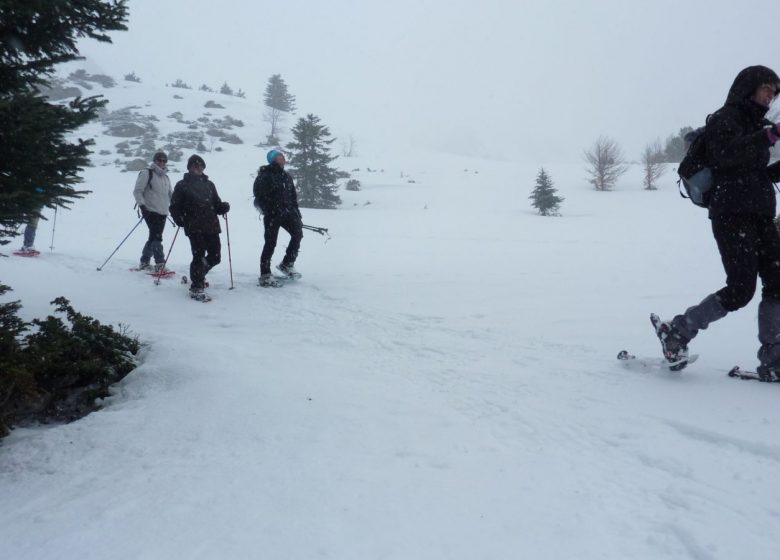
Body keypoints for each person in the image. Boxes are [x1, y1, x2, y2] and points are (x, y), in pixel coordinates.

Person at [653, 65, 780, 380]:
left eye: (775, 93)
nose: (771, 96)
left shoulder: (758, 124)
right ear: (749, 87)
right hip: (731, 214)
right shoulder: (725, 120)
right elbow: (726, 156)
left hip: (761, 214)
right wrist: (769, 135)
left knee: (778, 282)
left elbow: (757, 173)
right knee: (741, 290)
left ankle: (775, 356)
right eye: (767, 88)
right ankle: (679, 330)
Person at [169, 154, 230, 301]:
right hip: (194, 225)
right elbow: (174, 207)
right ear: (189, 167)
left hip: (212, 225)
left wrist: (223, 207)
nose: (198, 168)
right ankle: (196, 286)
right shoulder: (182, 185)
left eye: (201, 165)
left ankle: (198, 275)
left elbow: (216, 204)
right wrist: (180, 220)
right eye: (195, 165)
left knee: (216, 257)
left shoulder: (209, 185)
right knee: (199, 255)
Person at [253, 149, 303, 287]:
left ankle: (287, 264)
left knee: (298, 233)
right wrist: (271, 209)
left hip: (288, 213)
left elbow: (293, 197)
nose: (283, 158)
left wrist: (297, 213)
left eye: (283, 156)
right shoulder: (265, 175)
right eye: (279, 156)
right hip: (272, 215)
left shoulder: (286, 176)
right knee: (270, 243)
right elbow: (259, 196)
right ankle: (265, 274)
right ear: (273, 159)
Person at [133, 151, 173, 271]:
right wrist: (142, 206)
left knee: (153, 237)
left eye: (164, 160)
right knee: (157, 237)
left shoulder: (166, 177)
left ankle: (144, 261)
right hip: (150, 211)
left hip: (163, 212)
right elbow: (137, 191)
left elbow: (171, 195)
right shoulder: (147, 173)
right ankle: (160, 263)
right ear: (154, 161)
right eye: (159, 160)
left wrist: (179, 206)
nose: (161, 162)